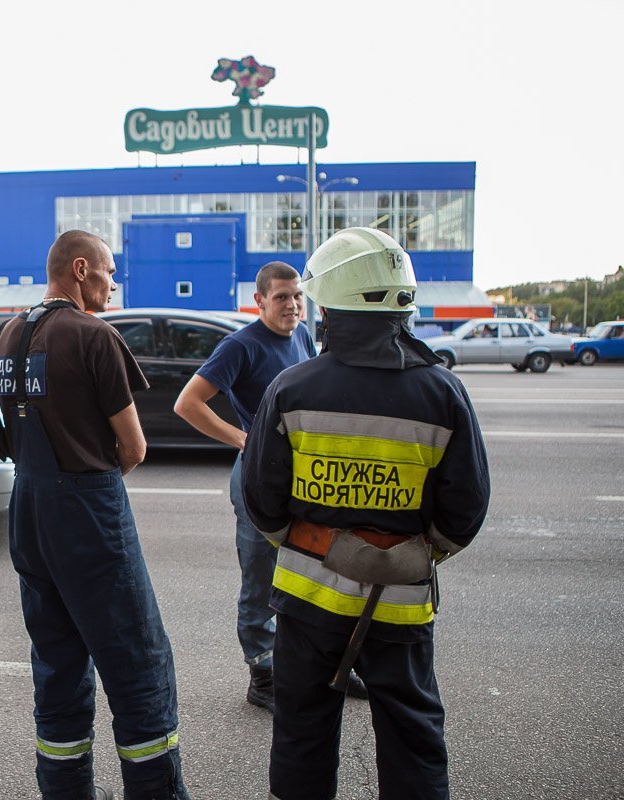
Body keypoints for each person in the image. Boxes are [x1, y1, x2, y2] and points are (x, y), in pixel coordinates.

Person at [241, 227, 490, 800]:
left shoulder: (292, 387)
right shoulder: (443, 392)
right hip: (400, 603)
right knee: (412, 733)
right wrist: (405, 553)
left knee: (302, 730)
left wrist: (313, 543)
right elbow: (465, 509)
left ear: (329, 306)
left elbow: (261, 497)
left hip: (306, 600)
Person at [0, 230, 190, 800]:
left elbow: (2, 425)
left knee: (57, 663)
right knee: (138, 666)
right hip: (87, 514)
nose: (113, 281)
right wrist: (88, 488)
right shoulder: (93, 335)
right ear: (80, 269)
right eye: (108, 270)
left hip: (26, 511)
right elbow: (134, 447)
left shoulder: (10, 332)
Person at [173, 262, 365, 711]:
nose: (292, 304)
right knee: (261, 574)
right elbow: (188, 403)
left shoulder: (300, 336)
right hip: (259, 477)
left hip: (302, 475)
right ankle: (263, 674)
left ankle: (327, 664)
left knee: (312, 568)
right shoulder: (239, 346)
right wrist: (244, 438)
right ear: (259, 301)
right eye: (281, 297)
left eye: (297, 295)